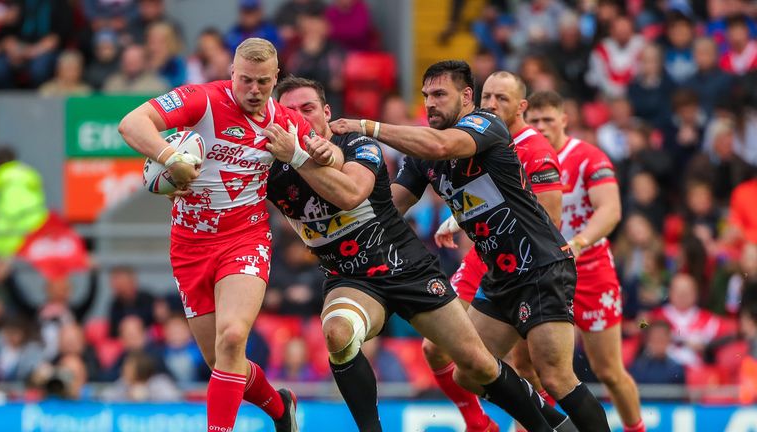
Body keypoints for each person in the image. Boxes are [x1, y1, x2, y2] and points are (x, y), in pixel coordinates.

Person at [265, 76, 568, 432]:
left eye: (308, 108)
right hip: (351, 278)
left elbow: (350, 194)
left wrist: (301, 157)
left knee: (479, 365)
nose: (300, 117)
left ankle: (553, 426)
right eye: (290, 110)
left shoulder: (358, 144)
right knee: (337, 334)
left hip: (407, 267)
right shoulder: (270, 166)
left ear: (326, 112)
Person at [330, 60, 610, 432]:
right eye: (426, 95)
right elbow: (391, 206)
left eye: (440, 94)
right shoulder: (420, 155)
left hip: (541, 266)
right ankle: (560, 427)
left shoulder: (485, 125)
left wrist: (368, 127)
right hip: (500, 274)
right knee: (471, 370)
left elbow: (444, 145)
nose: (430, 103)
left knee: (557, 377)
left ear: (466, 97)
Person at [118, 38, 309, 432]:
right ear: (231, 74)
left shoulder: (285, 121)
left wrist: (314, 154)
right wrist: (169, 158)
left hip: (245, 238)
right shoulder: (200, 99)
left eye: (262, 82)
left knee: (233, 336)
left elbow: (333, 157)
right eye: (245, 81)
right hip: (189, 245)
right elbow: (131, 124)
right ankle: (280, 408)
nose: (253, 91)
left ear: (276, 79)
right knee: (221, 360)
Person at [429, 70, 565, 430]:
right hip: (484, 255)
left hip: (524, 260)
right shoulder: (477, 136)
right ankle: (477, 422)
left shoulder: (534, 147)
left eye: (500, 99)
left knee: (527, 366)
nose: (490, 105)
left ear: (520, 107)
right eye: (486, 97)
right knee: (436, 346)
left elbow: (547, 220)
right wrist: (458, 219)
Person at [525, 90, 645, 432]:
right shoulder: (518, 155)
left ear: (565, 119)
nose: (541, 126)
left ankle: (636, 429)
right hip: (540, 272)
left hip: (590, 270)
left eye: (548, 119)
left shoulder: (589, 157)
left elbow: (611, 210)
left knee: (608, 370)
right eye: (534, 120)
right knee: (532, 368)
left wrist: (579, 242)